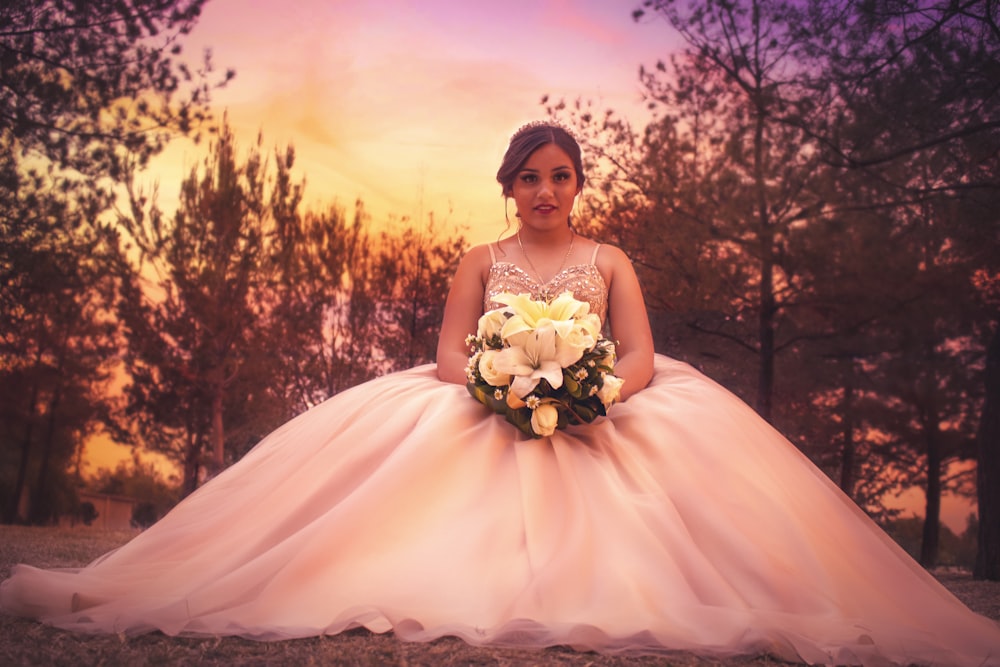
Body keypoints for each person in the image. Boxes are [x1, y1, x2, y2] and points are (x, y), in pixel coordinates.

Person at [2, 122, 999, 667]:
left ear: (578, 184)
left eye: (560, 175)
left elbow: (644, 355)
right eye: (530, 177)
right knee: (424, 446)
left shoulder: (611, 258)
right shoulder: (478, 258)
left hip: (601, 402)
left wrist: (588, 391)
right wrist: (502, 388)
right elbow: (443, 357)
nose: (546, 191)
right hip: (489, 399)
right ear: (507, 186)